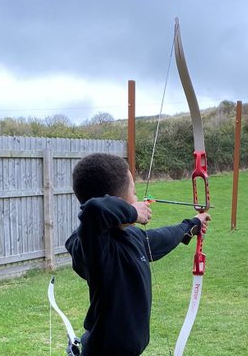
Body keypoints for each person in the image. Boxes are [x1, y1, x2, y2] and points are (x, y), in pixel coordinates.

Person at [65, 153, 211, 356]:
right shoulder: (91, 247)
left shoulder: (131, 235)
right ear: (119, 202)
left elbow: (160, 238)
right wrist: (133, 212)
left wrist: (191, 225)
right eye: (133, 192)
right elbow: (94, 211)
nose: (138, 198)